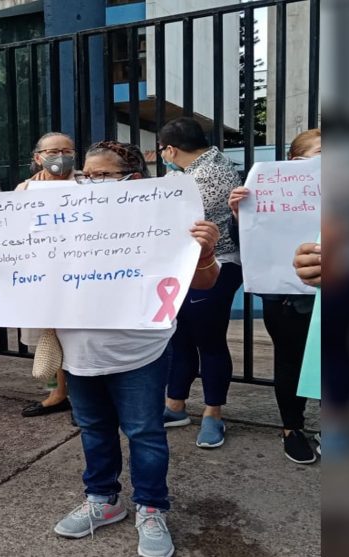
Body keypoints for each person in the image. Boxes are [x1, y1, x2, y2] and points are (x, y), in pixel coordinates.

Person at [0, 140, 220, 557]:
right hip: (79, 353)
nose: (88, 181)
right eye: (86, 174)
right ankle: (103, 500)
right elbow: (22, 263)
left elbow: (205, 283)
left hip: (140, 350)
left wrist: (206, 251)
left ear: (133, 180)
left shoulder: (165, 217)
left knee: (145, 433)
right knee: (95, 429)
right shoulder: (61, 217)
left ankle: (151, 507)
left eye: (102, 175)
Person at [228, 129, 322, 464]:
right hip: (287, 301)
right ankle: (291, 427)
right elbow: (251, 248)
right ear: (297, 162)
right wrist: (243, 216)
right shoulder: (270, 194)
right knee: (290, 363)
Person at [158, 117, 244, 449]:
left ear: (170, 150)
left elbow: (177, 225)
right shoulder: (194, 170)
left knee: (208, 341)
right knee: (180, 339)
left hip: (214, 266)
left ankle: (213, 414)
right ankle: (175, 405)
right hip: (186, 269)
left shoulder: (204, 178)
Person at [16, 132, 77, 418]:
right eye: (53, 150)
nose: (60, 156)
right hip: (41, 271)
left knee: (78, 333)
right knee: (49, 332)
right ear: (38, 157)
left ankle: (83, 398)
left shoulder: (88, 183)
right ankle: (58, 392)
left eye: (67, 149)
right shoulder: (24, 189)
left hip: (79, 271)